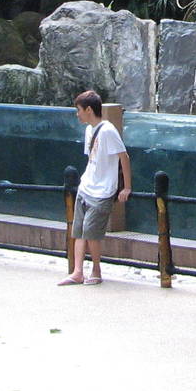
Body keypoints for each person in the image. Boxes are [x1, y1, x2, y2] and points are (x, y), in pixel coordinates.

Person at [59, 89, 129, 287]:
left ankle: (96, 270)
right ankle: (78, 272)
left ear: (88, 110)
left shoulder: (107, 130)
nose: (77, 114)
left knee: (92, 232)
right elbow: (92, 159)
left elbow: (124, 156)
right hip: (86, 186)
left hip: (103, 190)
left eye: (79, 110)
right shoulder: (89, 129)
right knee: (79, 230)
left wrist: (126, 187)